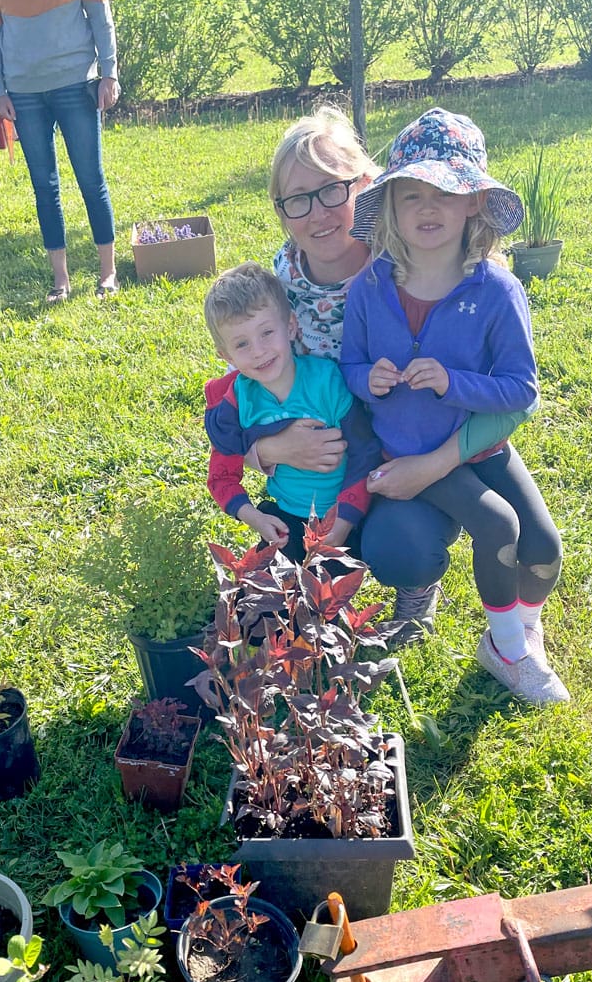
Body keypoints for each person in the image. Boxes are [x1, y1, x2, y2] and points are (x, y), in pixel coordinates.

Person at [245, 104, 534, 642]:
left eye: (333, 189)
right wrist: (268, 450)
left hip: (422, 447)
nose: (318, 213)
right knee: (276, 578)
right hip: (329, 462)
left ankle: (414, 582)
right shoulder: (276, 286)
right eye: (297, 200)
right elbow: (242, 392)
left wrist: (433, 464)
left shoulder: (427, 258)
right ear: (281, 211)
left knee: (400, 547)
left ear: (370, 185)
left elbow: (515, 393)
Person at [340, 108, 567, 705]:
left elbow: (521, 389)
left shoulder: (496, 291)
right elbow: (350, 368)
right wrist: (374, 380)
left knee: (543, 547)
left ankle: (522, 622)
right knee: (498, 527)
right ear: (389, 208)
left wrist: (453, 382)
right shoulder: (368, 288)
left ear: (475, 203)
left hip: (479, 446)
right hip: (408, 450)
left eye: (446, 191)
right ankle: (506, 651)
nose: (427, 207)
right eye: (410, 194)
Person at [0, 0, 120, 302]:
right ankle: (60, 280)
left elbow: (99, 9)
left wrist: (109, 72)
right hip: (23, 93)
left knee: (90, 179)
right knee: (44, 185)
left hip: (75, 82)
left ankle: (107, 272)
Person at [203, 263, 378, 558]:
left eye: (267, 332)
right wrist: (255, 518)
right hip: (285, 520)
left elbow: (365, 451)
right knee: (265, 602)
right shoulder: (236, 401)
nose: (258, 351)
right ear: (226, 355)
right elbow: (221, 476)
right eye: (242, 343)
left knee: (322, 600)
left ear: (291, 326)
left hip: (346, 514)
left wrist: (346, 519)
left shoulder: (327, 381)